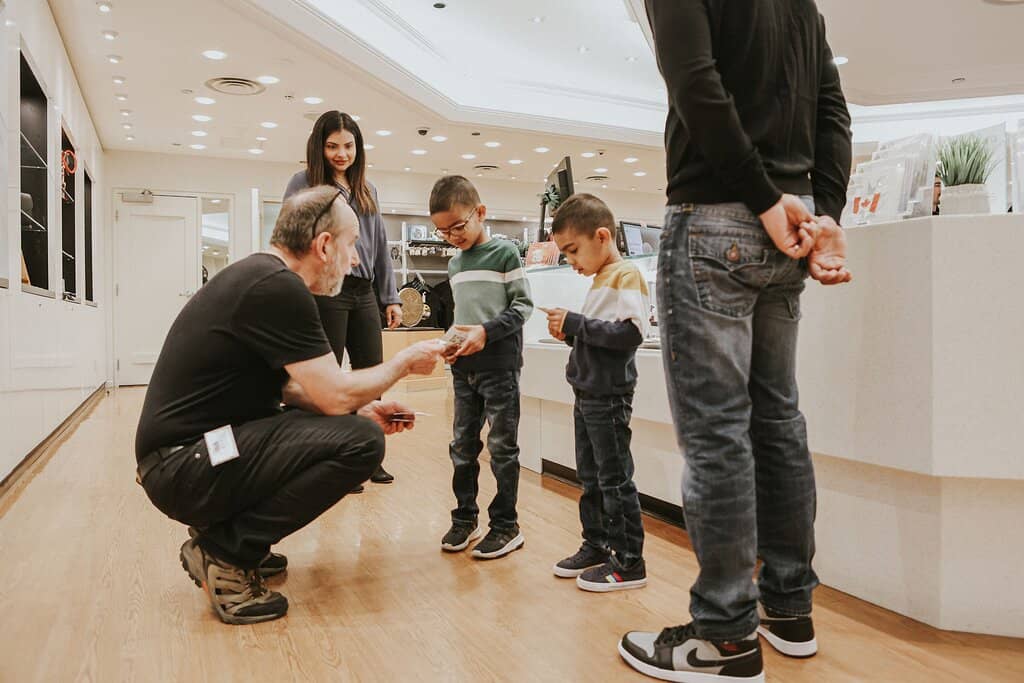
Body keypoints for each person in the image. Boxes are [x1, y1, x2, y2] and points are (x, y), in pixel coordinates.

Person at [619, 2, 854, 681]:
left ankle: (723, 635)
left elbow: (694, 83)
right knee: (778, 420)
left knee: (717, 429)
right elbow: (833, 112)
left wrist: (757, 197)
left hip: (720, 218)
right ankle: (788, 607)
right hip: (790, 226)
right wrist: (822, 210)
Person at [135, 186, 444, 625]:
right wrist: (404, 363)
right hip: (185, 465)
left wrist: (357, 409)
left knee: (355, 427)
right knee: (362, 444)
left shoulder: (261, 278)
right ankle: (225, 552)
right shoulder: (279, 288)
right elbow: (332, 393)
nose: (355, 258)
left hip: (186, 458)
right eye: (352, 244)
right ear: (323, 245)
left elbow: (295, 392)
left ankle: (232, 540)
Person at [284, 110, 402, 487]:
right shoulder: (303, 183)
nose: (341, 153)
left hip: (363, 290)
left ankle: (369, 455)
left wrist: (391, 296)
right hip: (326, 288)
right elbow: (290, 236)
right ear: (319, 147)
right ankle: (333, 457)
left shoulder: (367, 189)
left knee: (371, 373)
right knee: (329, 379)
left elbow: (380, 246)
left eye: (348, 146)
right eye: (333, 146)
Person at [543, 193, 649, 592]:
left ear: (602, 236)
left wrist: (577, 324)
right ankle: (597, 544)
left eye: (573, 250)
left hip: (607, 397)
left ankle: (629, 561)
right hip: (587, 393)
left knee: (614, 479)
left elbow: (630, 334)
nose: (571, 260)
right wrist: (572, 333)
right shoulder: (602, 279)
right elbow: (601, 339)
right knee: (591, 477)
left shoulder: (626, 275)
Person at [428, 175, 534, 559]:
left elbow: (522, 307)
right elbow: (462, 317)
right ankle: (464, 518)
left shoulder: (505, 254)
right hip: (462, 368)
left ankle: (506, 526)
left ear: (481, 213)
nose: (452, 236)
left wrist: (486, 334)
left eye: (458, 226)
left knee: (502, 448)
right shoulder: (455, 264)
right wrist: (448, 342)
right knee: (462, 446)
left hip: (500, 367)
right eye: (443, 231)